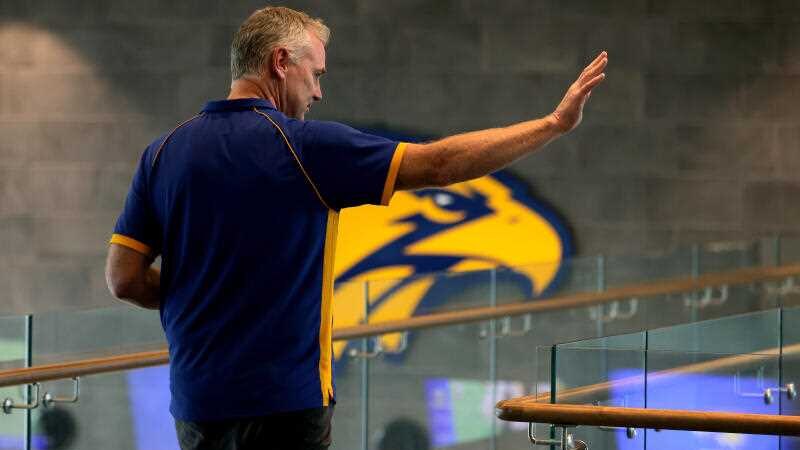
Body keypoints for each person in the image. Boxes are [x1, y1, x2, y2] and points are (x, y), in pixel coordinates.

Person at [105, 6, 607, 450]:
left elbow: (124, 279)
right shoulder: (304, 148)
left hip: (197, 403)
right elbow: (438, 166)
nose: (318, 91)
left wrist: (195, 294)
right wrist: (552, 125)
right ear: (280, 62)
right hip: (287, 404)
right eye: (315, 74)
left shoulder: (163, 154)